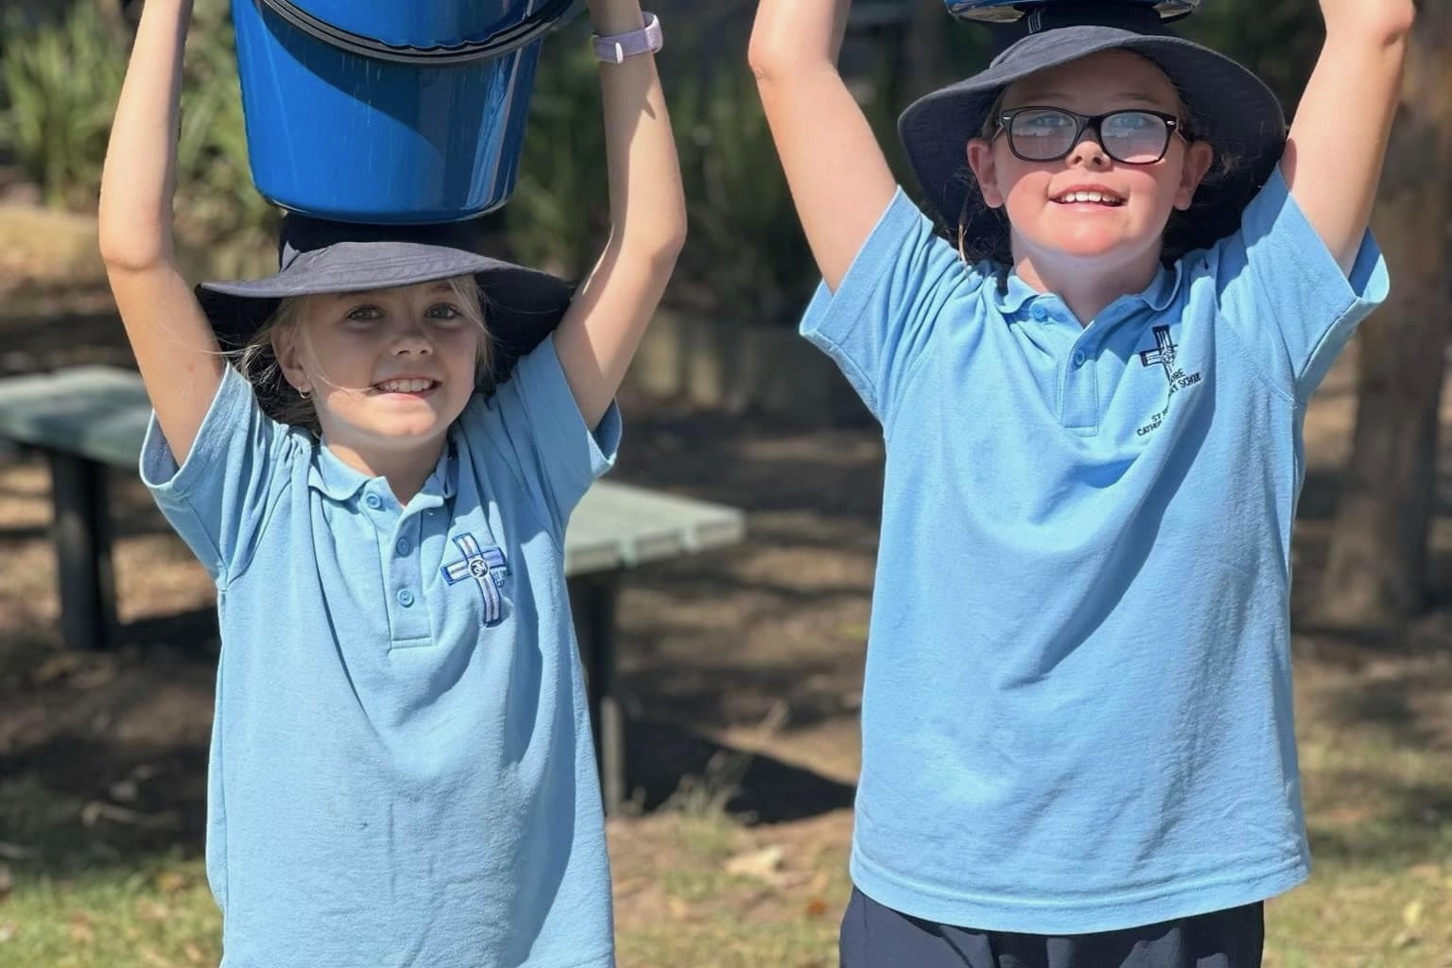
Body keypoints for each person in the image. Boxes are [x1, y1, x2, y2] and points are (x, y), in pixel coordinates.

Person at [749, 0, 1409, 964]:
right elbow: (786, 58)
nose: (1088, 153)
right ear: (986, 166)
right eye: (1042, 123)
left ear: (1192, 170)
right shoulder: (920, 324)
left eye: (1137, 124)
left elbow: (1375, 27)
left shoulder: (1254, 315)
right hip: (938, 894)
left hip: (1178, 888)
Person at [97, 0, 684, 962]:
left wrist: (621, 21)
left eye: (444, 311)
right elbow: (134, 250)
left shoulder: (518, 466)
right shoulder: (255, 496)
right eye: (362, 314)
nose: (411, 337)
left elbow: (649, 243)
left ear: (484, 339)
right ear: (289, 354)